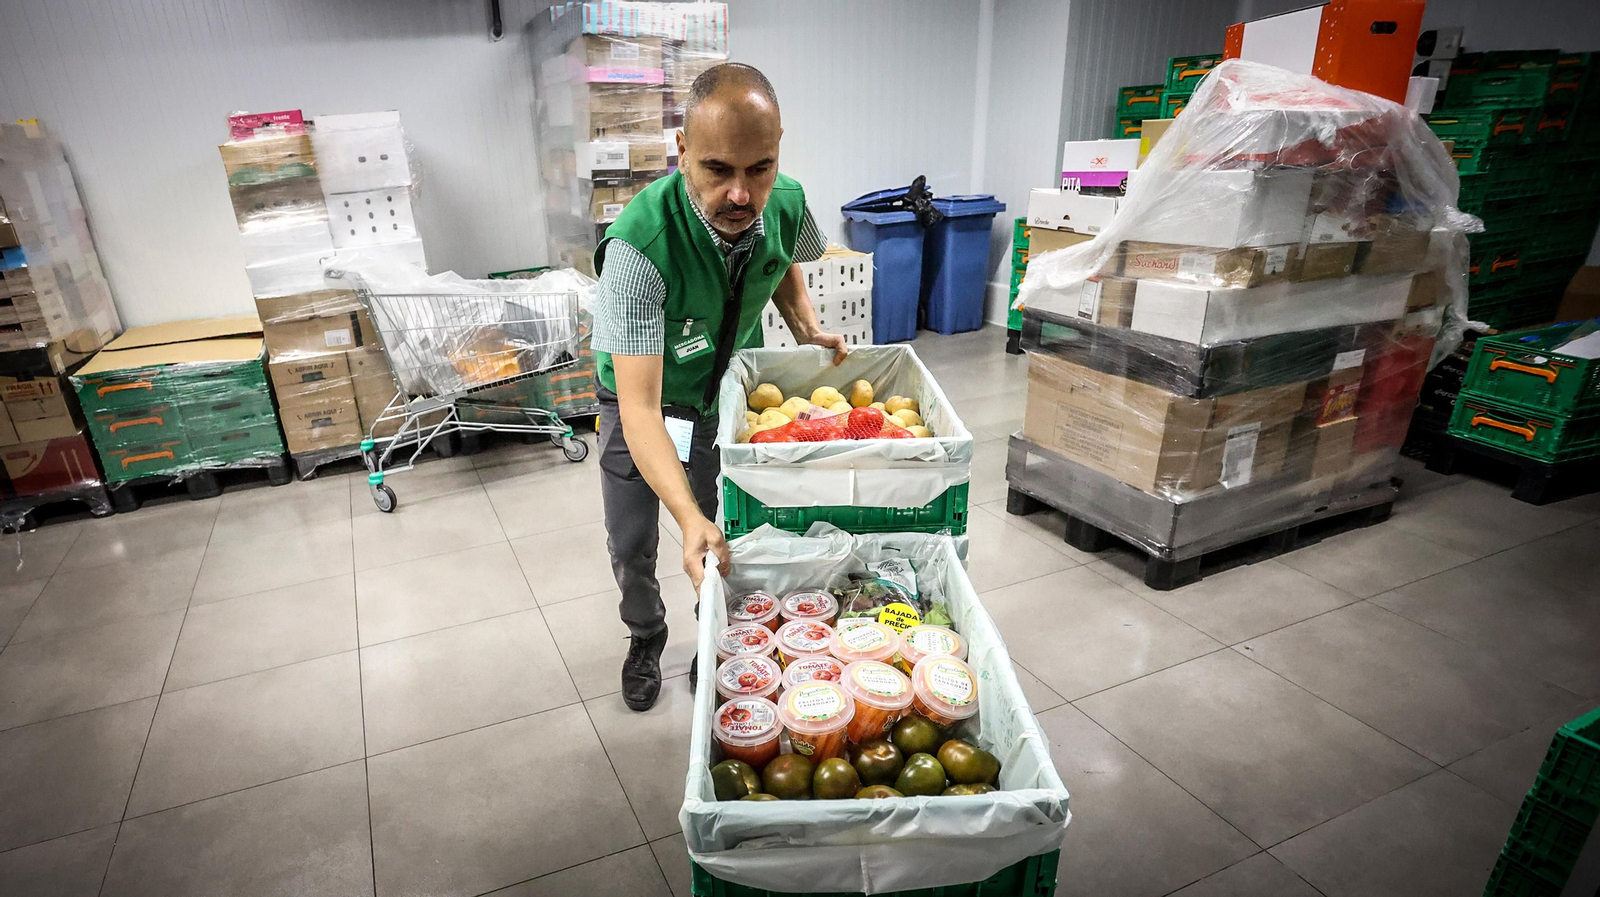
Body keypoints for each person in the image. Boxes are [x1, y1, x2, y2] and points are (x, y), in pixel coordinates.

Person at [590, 63, 848, 712]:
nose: (740, 193)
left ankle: (717, 634)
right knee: (635, 541)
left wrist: (807, 323)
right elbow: (642, 407)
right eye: (717, 170)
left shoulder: (784, 200)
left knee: (719, 532)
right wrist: (683, 516)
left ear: (779, 147)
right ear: (682, 152)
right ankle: (645, 636)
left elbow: (784, 252)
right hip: (640, 403)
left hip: (714, 400)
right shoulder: (640, 247)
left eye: (758, 168)